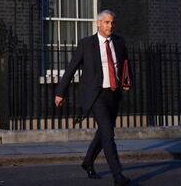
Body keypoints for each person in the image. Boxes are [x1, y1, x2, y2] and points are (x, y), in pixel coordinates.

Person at [55, 10, 131, 186]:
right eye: (106, 22)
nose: (110, 26)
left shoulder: (119, 42)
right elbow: (71, 68)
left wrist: (127, 82)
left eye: (112, 23)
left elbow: (125, 64)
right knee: (108, 134)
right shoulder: (86, 44)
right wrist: (60, 92)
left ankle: (88, 162)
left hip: (114, 93)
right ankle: (118, 175)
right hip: (96, 95)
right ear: (98, 23)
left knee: (103, 132)